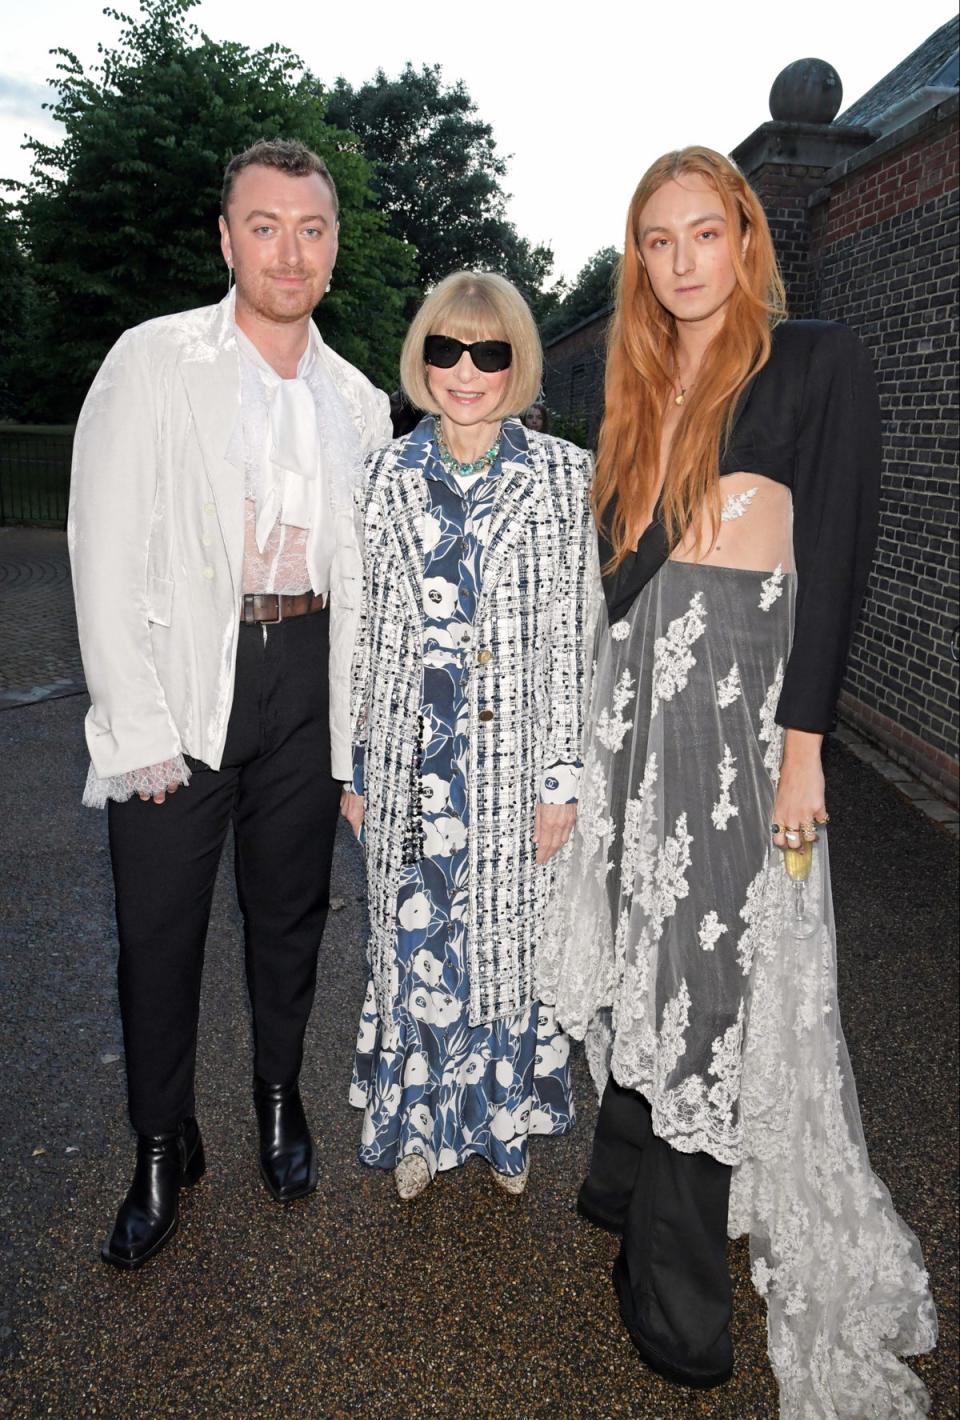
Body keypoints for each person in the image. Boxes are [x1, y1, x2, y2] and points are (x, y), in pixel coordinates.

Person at [537, 147, 937, 1411]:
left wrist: (805, 748)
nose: (682, 261)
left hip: (738, 728)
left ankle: (681, 1305)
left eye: (703, 233)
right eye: (657, 242)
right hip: (631, 719)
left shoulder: (815, 360)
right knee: (641, 948)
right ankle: (616, 1182)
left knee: (707, 978)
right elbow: (614, 584)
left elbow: (840, 551)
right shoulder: (641, 380)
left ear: (745, 236)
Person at [69, 138, 391, 1269]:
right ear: (226, 237)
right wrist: (137, 725)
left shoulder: (359, 400)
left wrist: (359, 741)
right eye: (265, 225)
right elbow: (99, 553)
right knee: (159, 933)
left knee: (290, 913)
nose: (288, 250)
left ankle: (275, 1096)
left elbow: (371, 584)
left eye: (310, 229)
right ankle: (162, 1142)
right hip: (182, 675)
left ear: (333, 247)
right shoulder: (154, 361)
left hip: (308, 679)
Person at [342, 272, 596, 1199]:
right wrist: (356, 766)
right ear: (423, 357)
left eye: (489, 353)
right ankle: (416, 1130)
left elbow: (572, 640)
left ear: (517, 362)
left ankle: (497, 1131)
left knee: (498, 951)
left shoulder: (565, 477)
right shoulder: (381, 474)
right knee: (411, 951)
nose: (465, 370)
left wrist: (562, 781)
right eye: (446, 348)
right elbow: (367, 635)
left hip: (509, 764)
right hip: (413, 761)